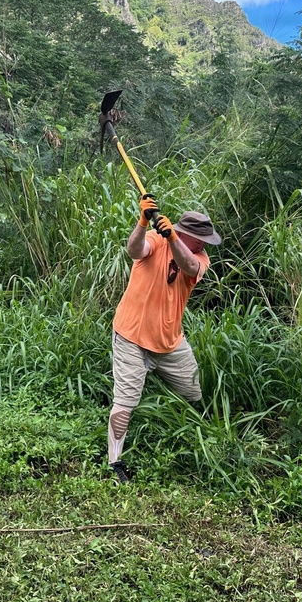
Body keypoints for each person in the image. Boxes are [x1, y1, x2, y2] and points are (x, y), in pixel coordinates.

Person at [106, 198, 222, 483]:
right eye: (201, 240)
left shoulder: (199, 257)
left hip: (170, 342)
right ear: (188, 234)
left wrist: (173, 238)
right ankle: (115, 462)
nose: (204, 245)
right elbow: (134, 249)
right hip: (131, 335)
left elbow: (190, 265)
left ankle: (194, 439)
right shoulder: (156, 240)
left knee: (194, 394)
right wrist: (143, 221)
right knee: (125, 403)